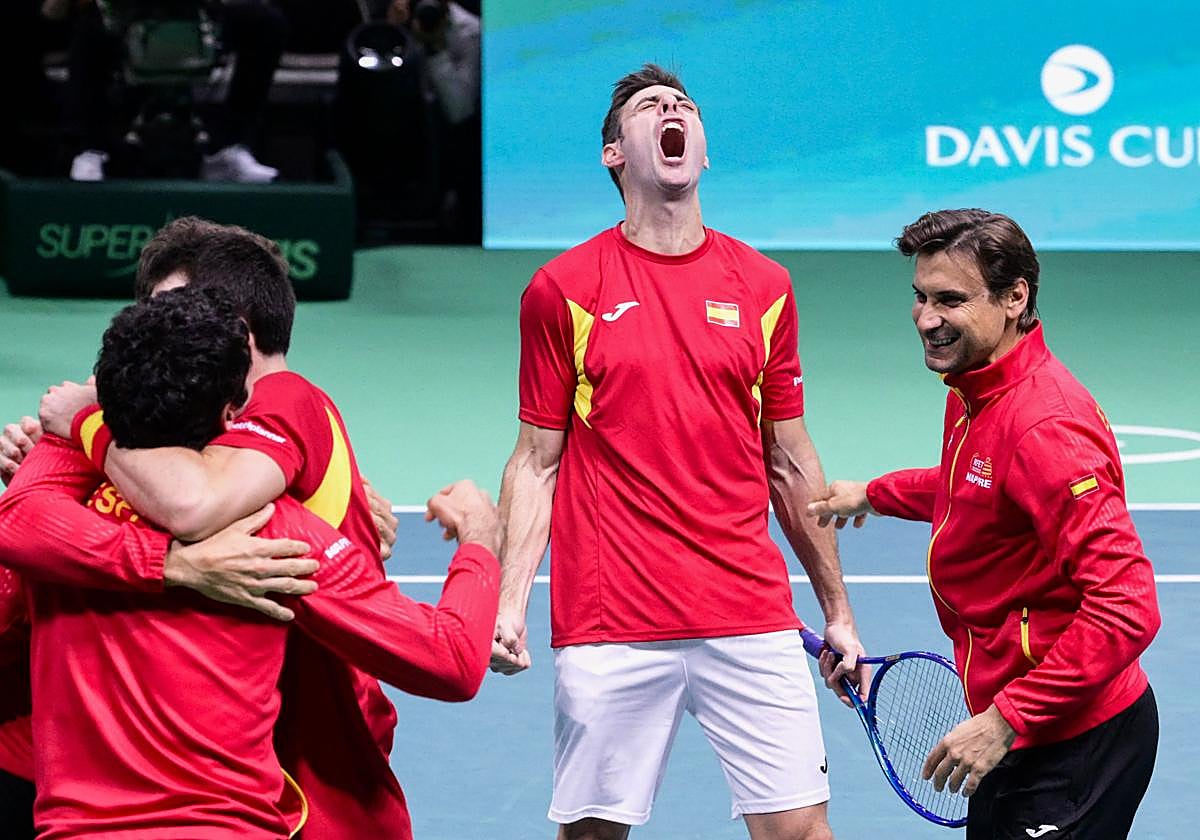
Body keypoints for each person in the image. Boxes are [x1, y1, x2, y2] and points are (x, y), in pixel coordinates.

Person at [491, 64, 867, 840]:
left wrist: (838, 611)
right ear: (614, 154)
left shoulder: (764, 285)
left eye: (685, 105)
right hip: (612, 616)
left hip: (748, 611)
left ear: (702, 151)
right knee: (593, 834)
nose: (672, 110)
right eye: (649, 106)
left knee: (801, 833)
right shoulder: (562, 288)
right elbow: (537, 460)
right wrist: (508, 602)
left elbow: (791, 462)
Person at [0, 285, 501, 837]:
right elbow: (450, 660)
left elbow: (17, 517)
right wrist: (480, 542)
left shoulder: (50, 516)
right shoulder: (270, 539)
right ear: (232, 411)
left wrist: (77, 428)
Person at [807, 209, 1160, 840]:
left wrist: (1007, 718)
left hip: (1069, 745)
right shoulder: (978, 389)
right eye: (919, 296)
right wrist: (872, 494)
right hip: (1020, 728)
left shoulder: (1045, 428)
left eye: (951, 300)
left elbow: (1128, 606)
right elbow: (975, 486)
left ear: (1014, 296)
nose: (926, 318)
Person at [53, 0, 285, 182]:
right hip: (127, 15)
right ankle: (89, 149)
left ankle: (227, 146)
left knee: (266, 23)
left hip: (197, 13)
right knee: (90, 27)